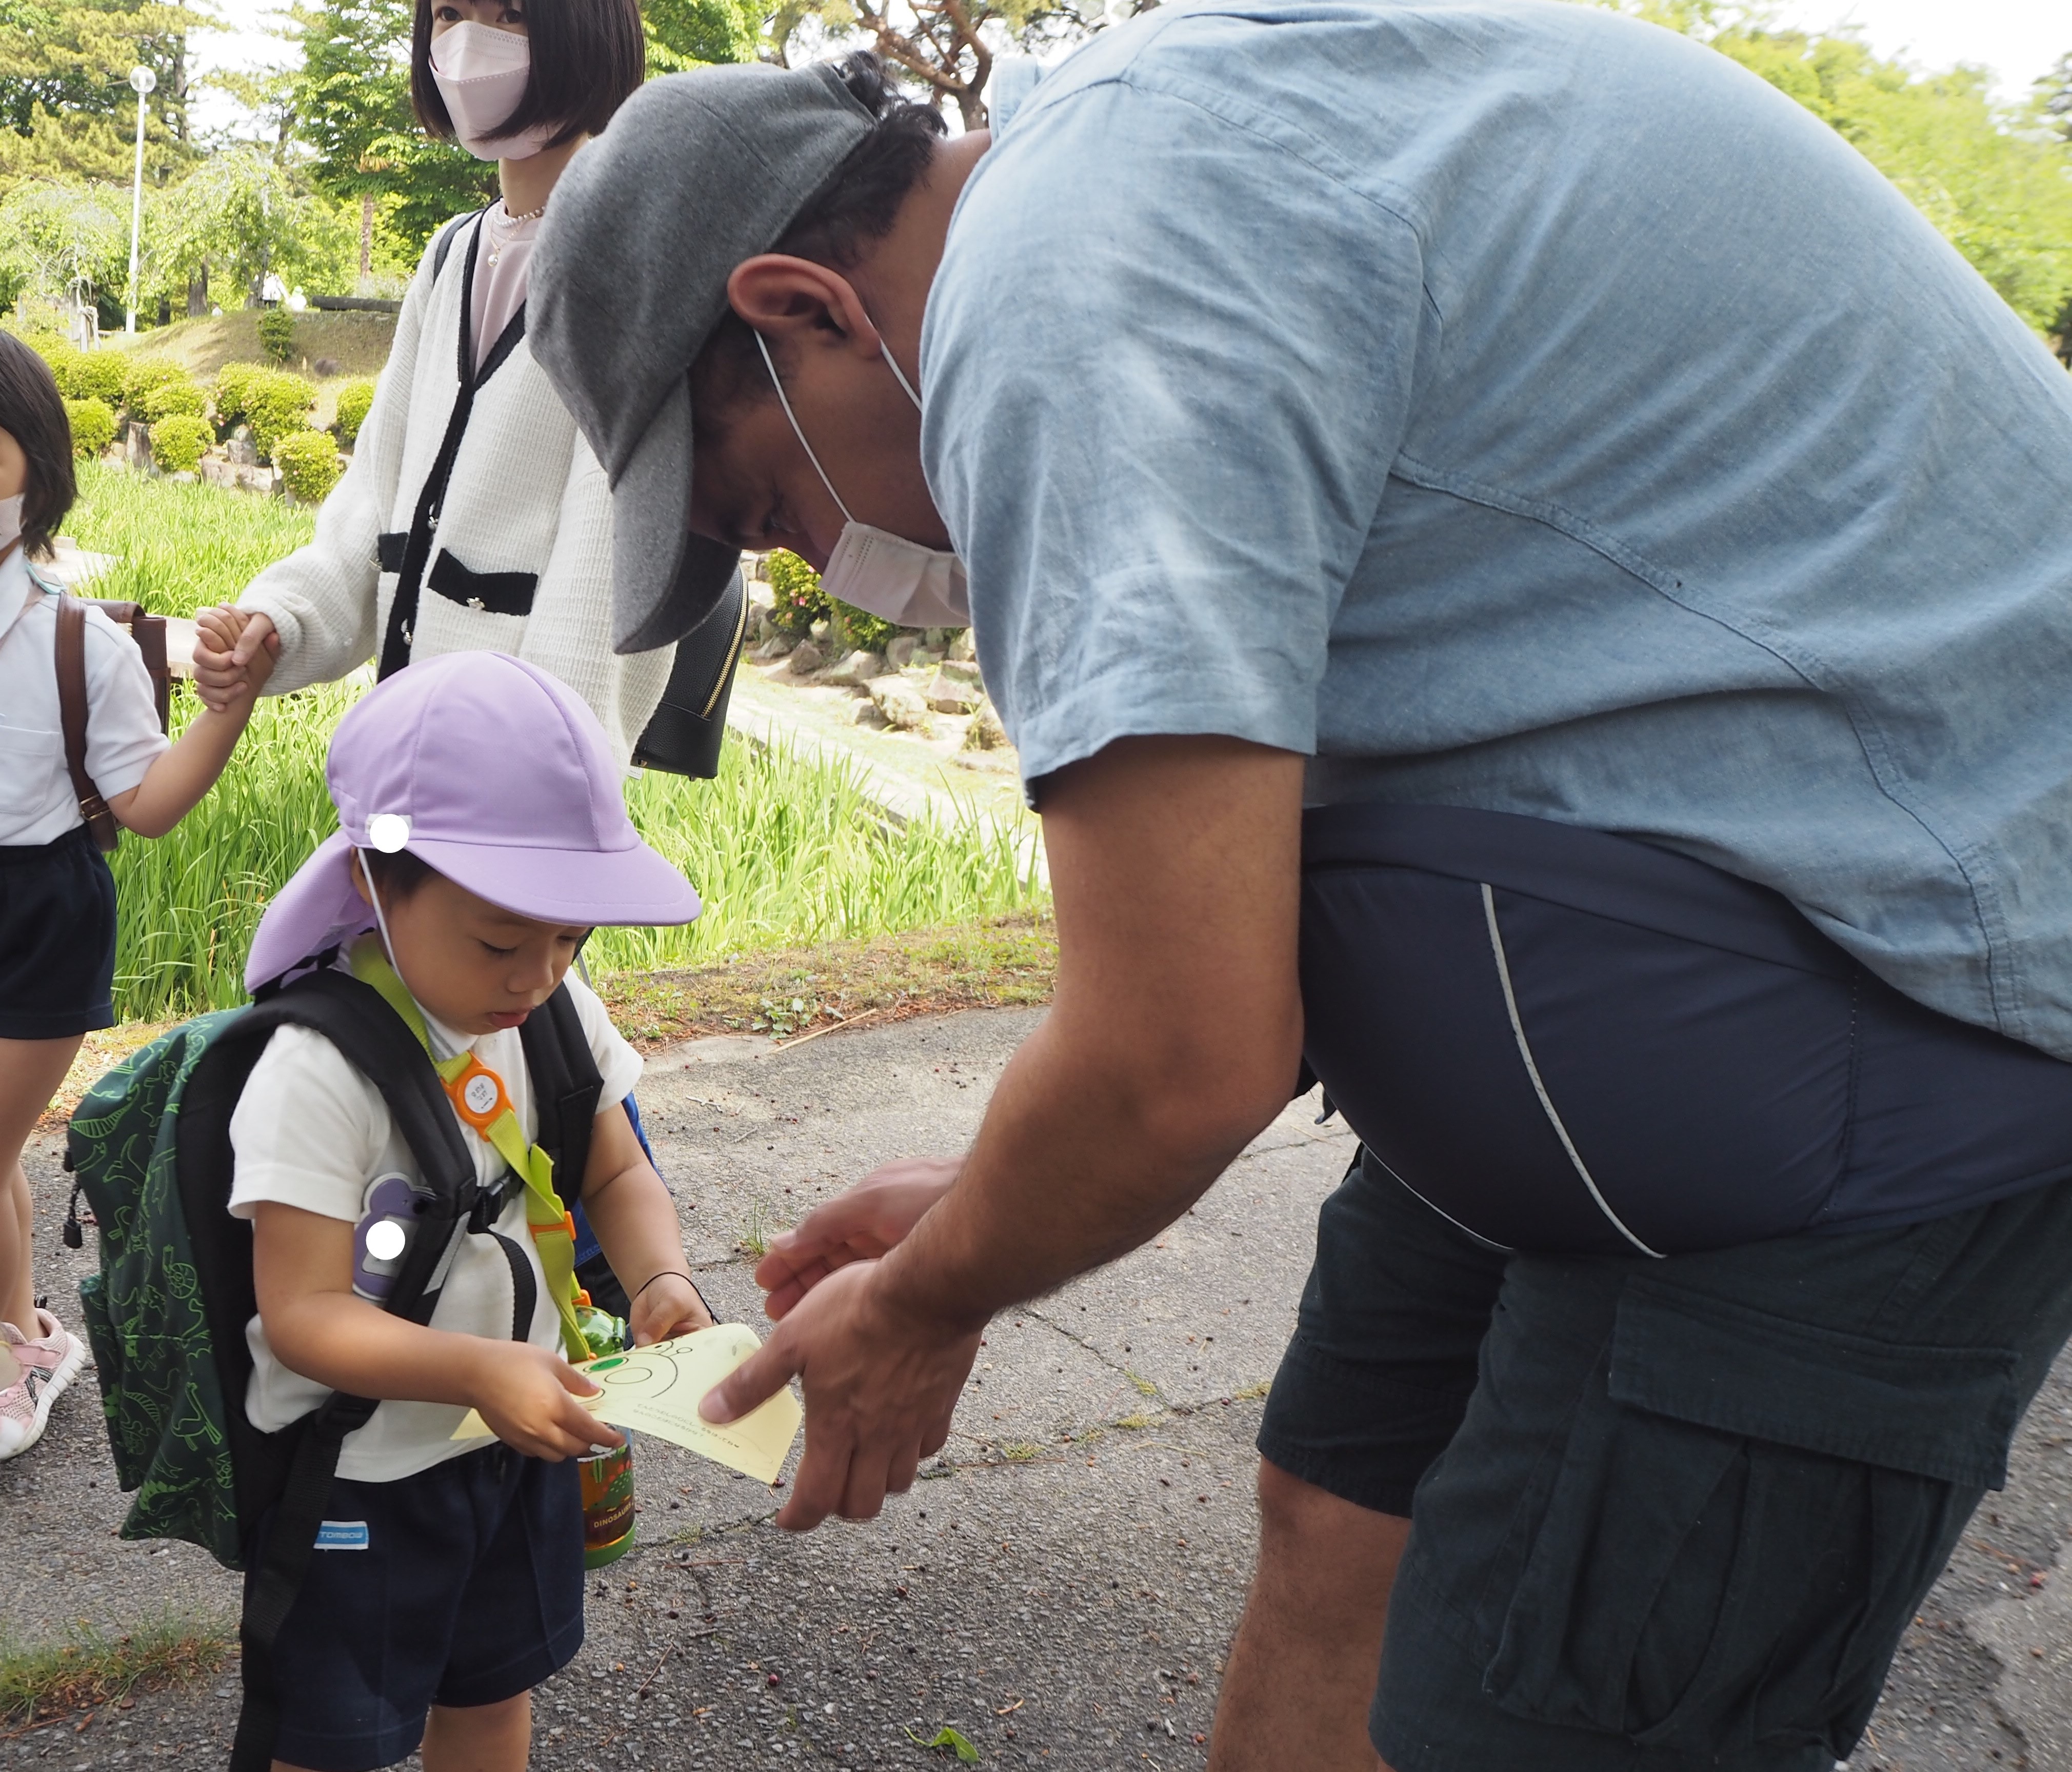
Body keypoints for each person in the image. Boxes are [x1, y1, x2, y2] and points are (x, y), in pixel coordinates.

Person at [527, 10, 2072, 1771]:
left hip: (1897, 982)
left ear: (805, 310)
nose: (814, 561)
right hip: (1615, 964)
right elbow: (1218, 945)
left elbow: (1176, 1056)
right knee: (1340, 1511)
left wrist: (930, 1293)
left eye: (764, 505)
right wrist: (994, 1189)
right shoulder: (1128, 176)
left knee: (1534, 1714)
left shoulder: (1070, 286)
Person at [232, 648, 712, 1772]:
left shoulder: (552, 1009)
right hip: (361, 1473)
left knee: (495, 1696)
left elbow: (615, 1172)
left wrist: (660, 1278)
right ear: (371, 883)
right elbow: (301, 1316)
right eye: (501, 941)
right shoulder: (318, 1070)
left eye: (570, 938)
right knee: (334, 1738)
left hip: (512, 1444)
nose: (538, 973)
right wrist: (477, 1371)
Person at [191, 0, 676, 766]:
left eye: (510, 14)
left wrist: (546, 787)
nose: (466, 43)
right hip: (404, 752)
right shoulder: (452, 256)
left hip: (513, 788)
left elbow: (604, 579)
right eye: (449, 12)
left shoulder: (636, 270)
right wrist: (279, 621)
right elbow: (377, 502)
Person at [0, 333, 274, 1462]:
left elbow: (149, 805)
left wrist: (229, 707)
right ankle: (25, 1334)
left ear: (37, 465)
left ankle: (18, 1344)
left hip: (40, 914)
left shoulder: (81, 645)